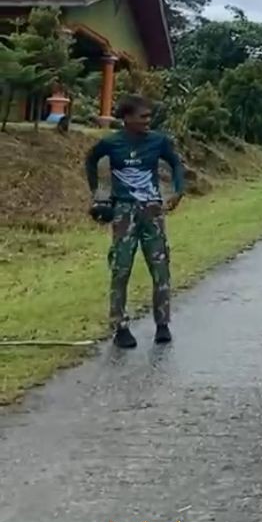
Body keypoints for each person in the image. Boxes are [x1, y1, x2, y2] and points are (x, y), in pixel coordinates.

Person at [85, 94, 185, 349]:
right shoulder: (112, 143)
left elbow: (174, 161)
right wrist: (97, 194)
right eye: (142, 117)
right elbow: (91, 159)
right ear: (127, 118)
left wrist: (178, 189)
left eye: (149, 116)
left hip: (152, 210)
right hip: (123, 212)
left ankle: (163, 324)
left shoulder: (158, 141)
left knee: (159, 266)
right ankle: (120, 327)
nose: (147, 121)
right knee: (121, 268)